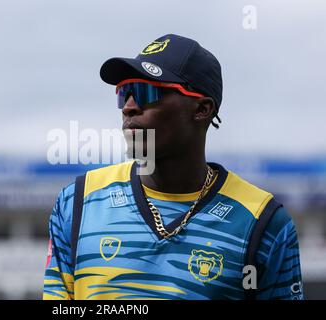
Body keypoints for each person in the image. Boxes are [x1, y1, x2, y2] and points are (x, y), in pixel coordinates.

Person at [43, 34, 304, 300]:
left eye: (146, 92)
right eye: (124, 93)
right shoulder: (77, 202)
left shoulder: (262, 220)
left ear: (202, 109)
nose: (129, 107)